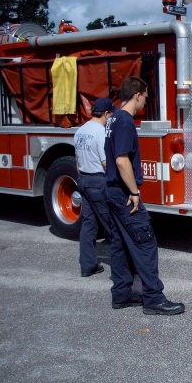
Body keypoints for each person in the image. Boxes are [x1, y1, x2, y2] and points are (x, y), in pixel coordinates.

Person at [105, 76, 185, 315]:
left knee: (119, 243)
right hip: (123, 193)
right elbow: (121, 159)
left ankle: (121, 294)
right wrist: (134, 191)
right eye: (146, 96)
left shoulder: (112, 119)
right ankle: (153, 298)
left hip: (111, 191)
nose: (145, 101)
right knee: (145, 243)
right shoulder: (125, 121)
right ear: (137, 95)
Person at [74, 98, 114, 277]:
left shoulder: (80, 131)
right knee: (112, 224)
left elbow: (77, 161)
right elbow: (105, 162)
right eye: (110, 114)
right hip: (98, 182)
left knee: (89, 224)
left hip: (83, 179)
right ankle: (123, 267)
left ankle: (88, 265)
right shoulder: (101, 132)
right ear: (106, 114)